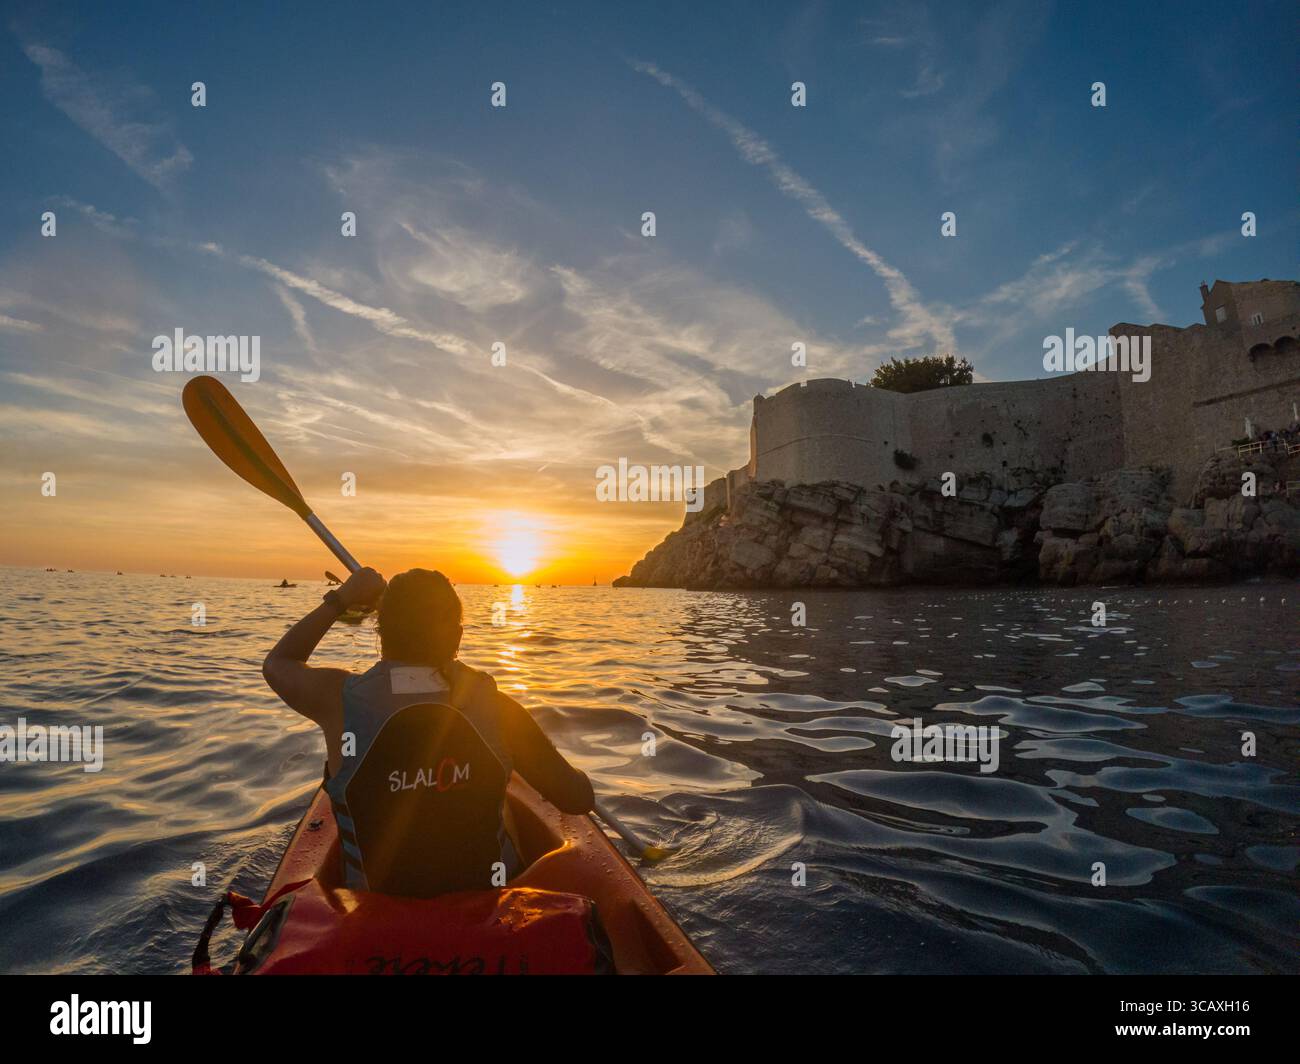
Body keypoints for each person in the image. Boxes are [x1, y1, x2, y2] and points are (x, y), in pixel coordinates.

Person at [262, 566, 594, 895]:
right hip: (483, 909)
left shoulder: (338, 698)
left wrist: (342, 597)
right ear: (457, 636)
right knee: (504, 804)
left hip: (372, 919)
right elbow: (578, 798)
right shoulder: (499, 708)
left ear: (381, 632)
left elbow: (278, 663)